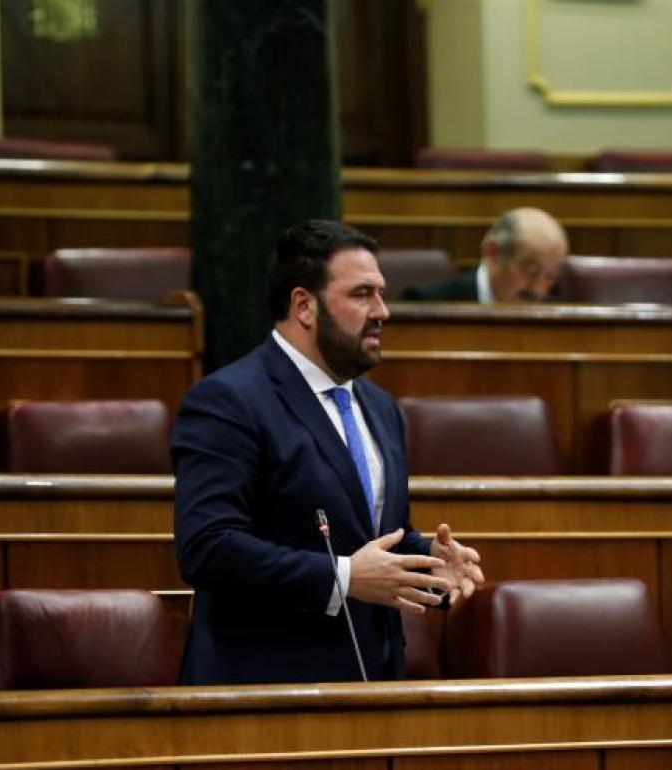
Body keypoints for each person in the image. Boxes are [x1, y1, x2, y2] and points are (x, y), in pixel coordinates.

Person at [172, 219, 484, 685]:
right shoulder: (229, 400)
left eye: (381, 293)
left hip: (373, 682)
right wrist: (342, 577)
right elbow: (208, 547)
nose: (383, 311)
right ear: (304, 306)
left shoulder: (380, 407)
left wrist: (430, 564)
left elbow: (368, 533)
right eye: (362, 294)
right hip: (264, 689)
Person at [401, 207, 568, 302]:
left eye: (550, 276)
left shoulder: (559, 315)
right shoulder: (429, 302)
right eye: (531, 270)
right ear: (492, 251)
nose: (538, 289)